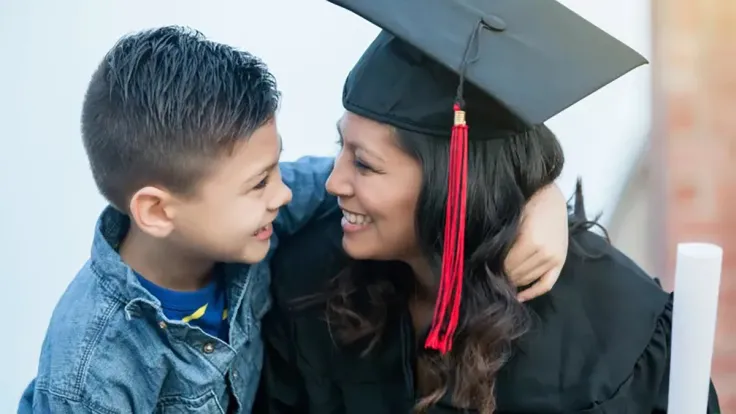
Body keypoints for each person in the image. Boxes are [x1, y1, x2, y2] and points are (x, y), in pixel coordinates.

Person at [18, 26, 568, 413]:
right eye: (260, 183)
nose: (286, 193)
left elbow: (387, 188)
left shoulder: (256, 219)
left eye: (274, 166)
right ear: (159, 211)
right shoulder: (93, 366)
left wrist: (538, 193)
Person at [256, 1, 722, 413]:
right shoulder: (312, 278)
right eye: (341, 147)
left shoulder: (617, 334)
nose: (335, 181)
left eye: (364, 164)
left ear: (456, 180)